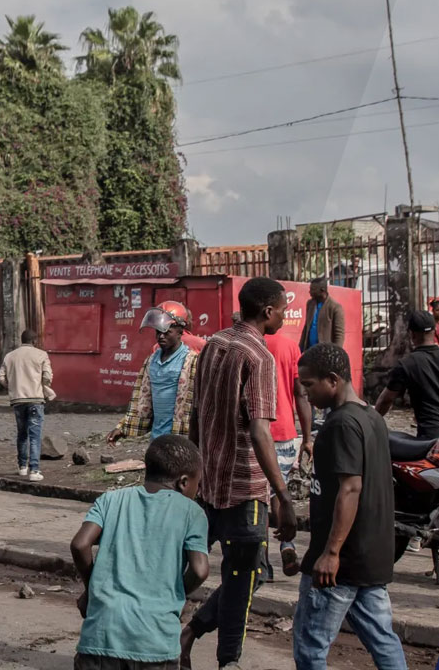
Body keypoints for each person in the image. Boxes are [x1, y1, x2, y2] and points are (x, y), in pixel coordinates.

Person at [180, 277, 296, 670]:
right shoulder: (259, 356)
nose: (284, 317)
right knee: (245, 577)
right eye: (282, 310)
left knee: (224, 573)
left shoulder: (213, 343)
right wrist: (283, 495)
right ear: (268, 311)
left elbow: (196, 414)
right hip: (245, 490)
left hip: (208, 484)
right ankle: (226, 658)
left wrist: (194, 471)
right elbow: (261, 431)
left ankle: (182, 635)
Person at [294, 343, 405, 670]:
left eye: (309, 385)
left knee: (310, 647)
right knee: (383, 641)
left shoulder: (342, 424)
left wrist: (331, 552)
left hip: (340, 563)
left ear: (332, 379)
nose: (306, 394)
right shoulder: (371, 417)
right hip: (367, 559)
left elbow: (351, 487)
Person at [70, 435, 209, 670]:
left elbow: (80, 544)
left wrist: (91, 589)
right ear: (184, 482)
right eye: (199, 484)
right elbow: (200, 570)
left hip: (101, 638)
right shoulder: (192, 513)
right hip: (156, 643)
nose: (198, 491)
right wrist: (174, 593)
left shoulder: (110, 500)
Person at [106, 302, 200, 446]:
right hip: (157, 438)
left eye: (167, 332)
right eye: (158, 332)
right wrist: (122, 428)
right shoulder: (151, 361)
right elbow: (141, 400)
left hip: (182, 439)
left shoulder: (192, 361)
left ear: (180, 332)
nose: (161, 336)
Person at [375, 310, 439, 439]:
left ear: (412, 334)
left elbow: (386, 400)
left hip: (428, 436)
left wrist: (372, 421)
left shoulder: (406, 364)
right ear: (434, 331)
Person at [263, 328, 313, 577]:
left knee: (258, 498)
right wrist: (307, 438)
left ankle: (262, 561)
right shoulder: (290, 346)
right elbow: (300, 393)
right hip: (284, 433)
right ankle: (287, 545)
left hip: (256, 433)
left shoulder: (246, 344)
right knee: (278, 489)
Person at [0, 329, 54, 482]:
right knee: (35, 436)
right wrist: (44, 386)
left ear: (21, 340)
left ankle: (22, 467)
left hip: (17, 400)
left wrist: (12, 387)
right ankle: (34, 470)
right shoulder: (41, 355)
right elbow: (47, 376)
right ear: (34, 341)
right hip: (35, 399)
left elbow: (0, 377)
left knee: (22, 434)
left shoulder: (10, 356)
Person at [300, 278, 345, 352]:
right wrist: (300, 348)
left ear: (322, 290)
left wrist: (336, 353)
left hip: (325, 352)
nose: (310, 292)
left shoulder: (335, 307)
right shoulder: (310, 304)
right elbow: (306, 327)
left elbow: (339, 334)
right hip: (310, 350)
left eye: (313, 289)